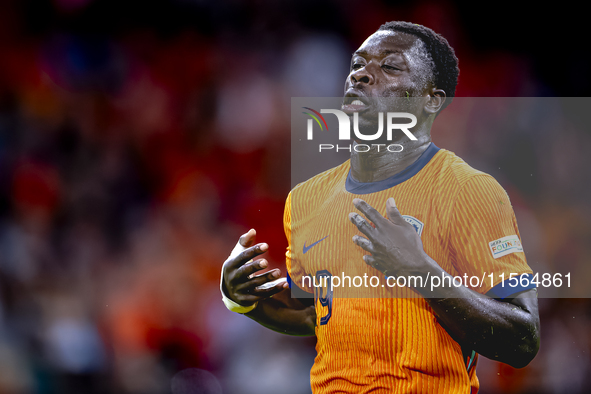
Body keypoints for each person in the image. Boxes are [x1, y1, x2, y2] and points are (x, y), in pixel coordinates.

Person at [220, 21, 540, 393]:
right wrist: (241, 299)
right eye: (357, 64)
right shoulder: (306, 199)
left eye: (389, 67)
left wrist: (421, 273)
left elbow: (523, 338)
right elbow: (314, 312)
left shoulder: (468, 191)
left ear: (430, 100)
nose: (362, 74)